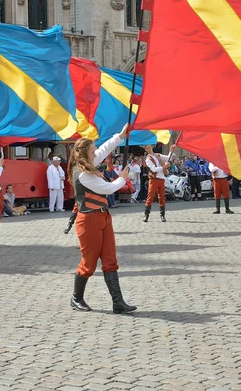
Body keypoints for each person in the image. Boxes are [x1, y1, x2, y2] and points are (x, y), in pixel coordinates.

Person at [67, 124, 136, 314]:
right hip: (88, 220)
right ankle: (76, 298)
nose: (95, 152)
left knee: (109, 259)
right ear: (85, 153)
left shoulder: (87, 164)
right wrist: (122, 178)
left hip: (103, 217)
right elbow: (108, 188)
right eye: (92, 150)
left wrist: (120, 135)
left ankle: (118, 302)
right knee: (88, 262)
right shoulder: (83, 173)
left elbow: (105, 149)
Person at [143, 143, 176, 223]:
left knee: (161, 197)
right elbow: (154, 169)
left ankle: (162, 215)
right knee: (150, 197)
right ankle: (146, 215)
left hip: (161, 178)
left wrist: (170, 151)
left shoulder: (158, 155)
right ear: (146, 150)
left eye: (150, 147)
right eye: (147, 148)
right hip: (153, 179)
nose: (149, 149)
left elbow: (168, 158)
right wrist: (164, 167)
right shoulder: (148, 159)